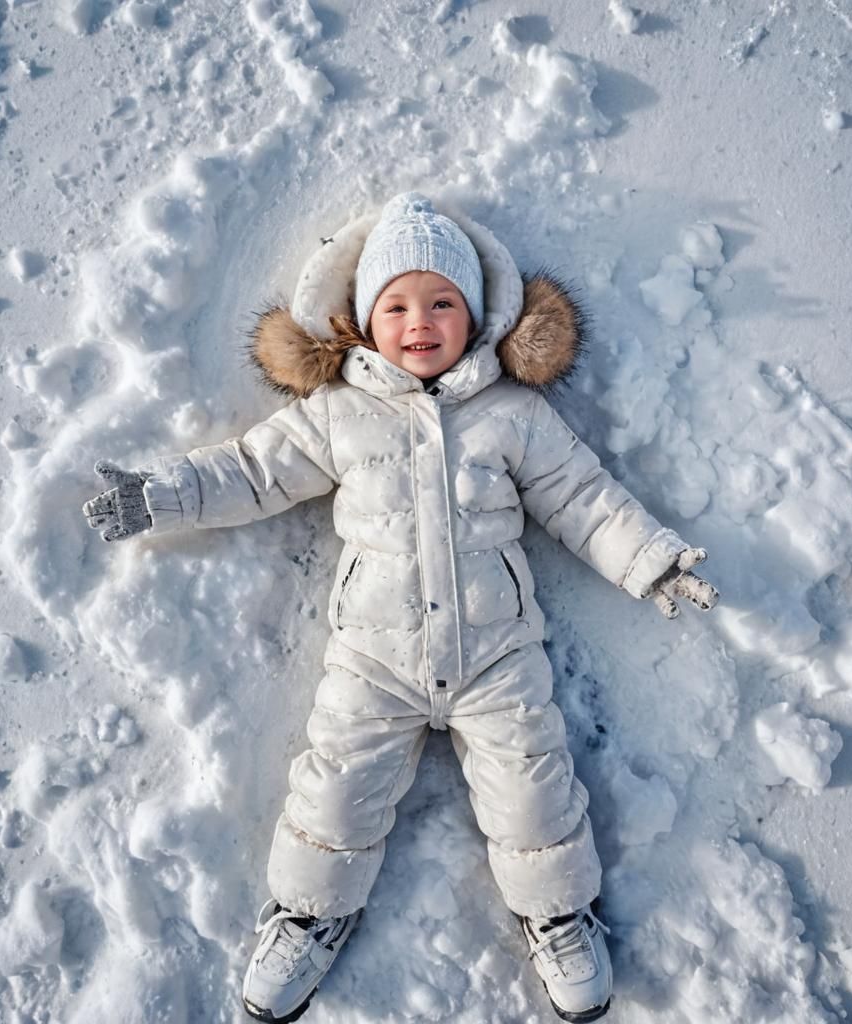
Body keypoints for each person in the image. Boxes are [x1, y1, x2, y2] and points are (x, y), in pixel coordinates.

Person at [83, 193, 718, 1023]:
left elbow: (583, 497)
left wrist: (652, 562)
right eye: (398, 305)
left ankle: (558, 914)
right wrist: (159, 495)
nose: (420, 322)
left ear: (477, 314)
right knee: (335, 788)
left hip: (497, 656)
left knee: (535, 788)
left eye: (442, 302)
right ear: (361, 321)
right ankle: (309, 914)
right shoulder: (337, 413)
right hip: (373, 660)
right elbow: (249, 472)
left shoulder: (513, 415)